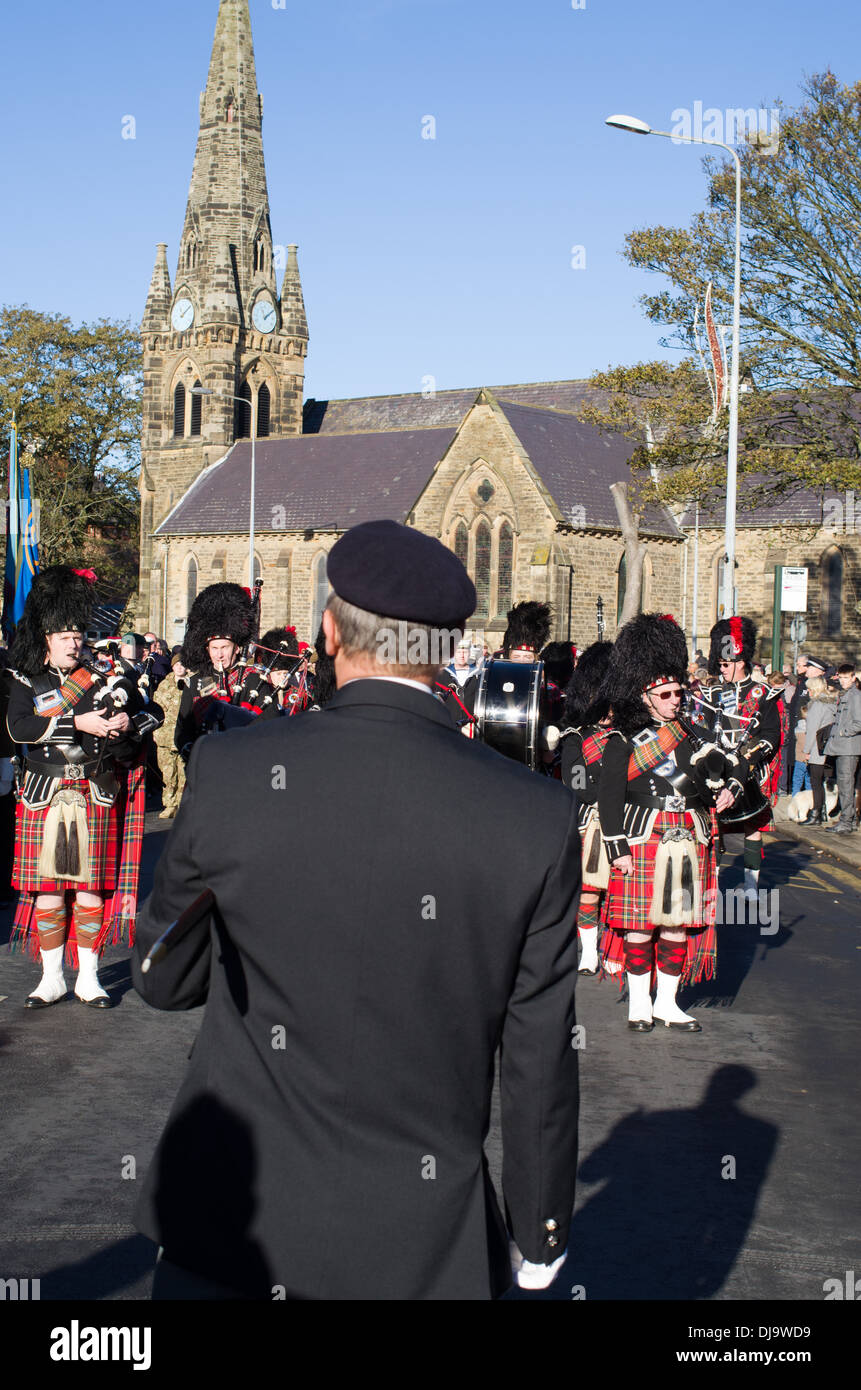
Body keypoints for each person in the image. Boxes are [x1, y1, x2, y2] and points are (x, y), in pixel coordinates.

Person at [132, 518, 581, 1301]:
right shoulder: (533, 814)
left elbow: (161, 978)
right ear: (445, 652)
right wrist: (538, 1227)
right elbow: (539, 1051)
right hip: (422, 1240)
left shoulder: (235, 769)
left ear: (331, 632)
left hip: (231, 1221)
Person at [6, 566, 161, 1008]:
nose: (74, 642)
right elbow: (20, 727)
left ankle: (89, 977)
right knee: (49, 890)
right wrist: (77, 721)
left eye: (78, 634)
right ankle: (52, 976)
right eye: (64, 635)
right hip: (44, 792)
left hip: (95, 789)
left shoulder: (106, 677)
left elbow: (154, 715)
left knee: (91, 889)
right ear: (46, 638)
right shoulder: (24, 680)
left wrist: (128, 722)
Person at [598, 614, 738, 1033]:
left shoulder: (693, 734)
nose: (675, 699)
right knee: (639, 928)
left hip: (687, 837)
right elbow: (609, 798)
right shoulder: (623, 740)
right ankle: (639, 1004)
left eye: (678, 692)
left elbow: (724, 772)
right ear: (645, 696)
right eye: (666, 694)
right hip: (643, 834)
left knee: (676, 926)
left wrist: (728, 785)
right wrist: (616, 849)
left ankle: (668, 1004)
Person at [694, 617, 783, 896]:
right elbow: (702, 728)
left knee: (752, 825)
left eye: (725, 664)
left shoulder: (764, 694)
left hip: (750, 767)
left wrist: (749, 755)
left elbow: (772, 735)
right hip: (718, 768)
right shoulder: (710, 693)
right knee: (714, 826)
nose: (721, 669)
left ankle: (751, 885)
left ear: (740, 661)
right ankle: (714, 883)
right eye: (719, 664)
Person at [558, 641, 614, 976]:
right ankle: (589, 951)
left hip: (625, 820)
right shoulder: (576, 737)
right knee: (590, 891)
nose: (608, 712)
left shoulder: (630, 736)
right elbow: (575, 782)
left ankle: (612, 946)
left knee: (619, 893)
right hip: (588, 819)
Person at [174, 583, 276, 760]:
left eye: (224, 647)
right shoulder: (195, 683)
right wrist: (192, 751)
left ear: (237, 649)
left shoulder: (253, 679)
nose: (219, 654)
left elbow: (270, 724)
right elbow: (183, 730)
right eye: (214, 648)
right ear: (207, 649)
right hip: (206, 765)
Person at [823, 663, 861, 834]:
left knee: (846, 786)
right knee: (846, 785)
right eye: (842, 677)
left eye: (847, 678)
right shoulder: (847, 694)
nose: (844, 681)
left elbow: (859, 722)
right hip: (843, 746)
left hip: (848, 747)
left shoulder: (855, 696)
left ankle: (846, 821)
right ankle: (849, 820)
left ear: (853, 678)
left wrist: (843, 732)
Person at [153, 649, 189, 819]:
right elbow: (157, 709)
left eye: (183, 663)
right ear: (173, 666)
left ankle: (182, 805)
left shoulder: (192, 683)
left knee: (183, 774)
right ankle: (169, 804)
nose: (180, 667)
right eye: (177, 664)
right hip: (165, 737)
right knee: (168, 774)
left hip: (183, 736)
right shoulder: (164, 684)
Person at [799, 674, 838, 825]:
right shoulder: (831, 703)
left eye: (809, 689)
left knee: (815, 782)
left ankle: (816, 814)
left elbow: (812, 729)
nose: (808, 692)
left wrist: (806, 750)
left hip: (816, 748)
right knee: (822, 782)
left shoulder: (816, 705)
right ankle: (821, 812)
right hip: (829, 747)